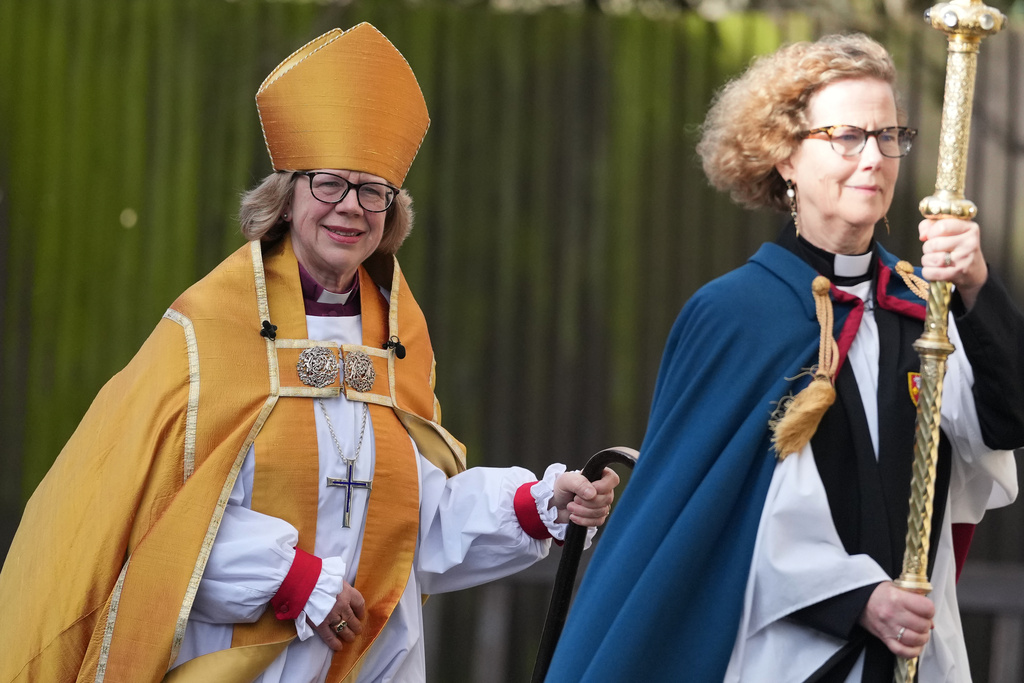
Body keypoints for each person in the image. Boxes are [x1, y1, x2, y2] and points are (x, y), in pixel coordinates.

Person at [0, 23, 619, 683]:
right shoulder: (209, 329)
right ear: (287, 198)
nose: (351, 207)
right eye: (330, 184)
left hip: (375, 664)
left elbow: (412, 527)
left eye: (373, 190)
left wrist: (539, 502)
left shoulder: (399, 340)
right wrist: (295, 578)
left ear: (392, 211)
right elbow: (160, 520)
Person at [545, 33, 1023, 682]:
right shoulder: (735, 315)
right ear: (786, 157)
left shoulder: (923, 309)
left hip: (912, 657)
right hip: (781, 656)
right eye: (847, 137)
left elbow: (1006, 419)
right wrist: (859, 597)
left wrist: (974, 286)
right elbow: (719, 523)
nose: (874, 160)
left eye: (890, 137)